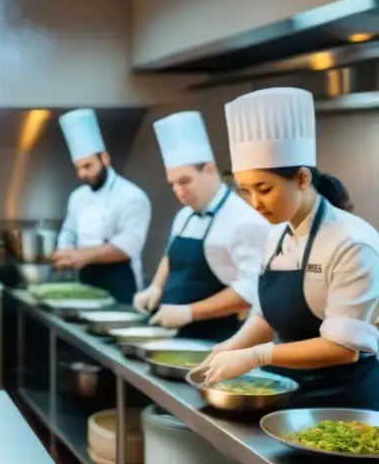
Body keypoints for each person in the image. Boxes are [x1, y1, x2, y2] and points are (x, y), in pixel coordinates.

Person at [194, 88, 379, 409]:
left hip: (343, 401)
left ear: (303, 178)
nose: (255, 204)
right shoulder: (277, 232)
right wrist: (231, 347)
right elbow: (268, 312)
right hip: (288, 389)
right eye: (245, 191)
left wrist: (257, 355)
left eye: (264, 189)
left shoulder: (351, 242)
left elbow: (343, 348)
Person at [133, 111, 271, 342]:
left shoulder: (245, 221)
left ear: (209, 169)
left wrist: (189, 313)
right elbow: (171, 256)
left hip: (216, 339)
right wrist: (155, 287)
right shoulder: (185, 214)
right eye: (173, 184)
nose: (179, 191)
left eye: (185, 181)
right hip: (175, 335)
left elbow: (252, 290)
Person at [53, 108, 152, 304]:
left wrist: (81, 256)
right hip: (86, 280)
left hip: (120, 281)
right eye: (78, 168)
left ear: (105, 159)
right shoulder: (78, 196)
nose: (82, 174)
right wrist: (64, 251)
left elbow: (127, 246)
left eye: (88, 166)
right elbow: (69, 231)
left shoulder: (132, 196)